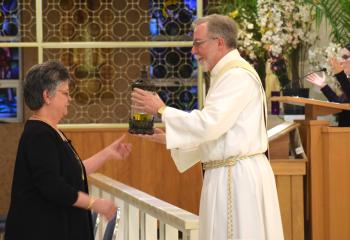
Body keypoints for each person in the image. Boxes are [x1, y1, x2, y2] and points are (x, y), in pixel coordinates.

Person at [131, 14, 284, 240]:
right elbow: (220, 133)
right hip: (227, 172)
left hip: (237, 179)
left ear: (219, 42)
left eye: (198, 43)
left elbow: (209, 124)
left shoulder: (236, 76)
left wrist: (162, 110)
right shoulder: (225, 74)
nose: (193, 51)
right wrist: (169, 138)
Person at [5, 61, 132, 240]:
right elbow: (53, 185)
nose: (69, 99)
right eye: (65, 93)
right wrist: (95, 203)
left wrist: (108, 153)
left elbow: (71, 172)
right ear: (47, 96)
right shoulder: (39, 134)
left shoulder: (49, 131)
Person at [306, 43, 350, 126]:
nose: (340, 61)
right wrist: (324, 86)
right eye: (341, 57)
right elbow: (339, 105)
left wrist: (340, 75)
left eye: (345, 57)